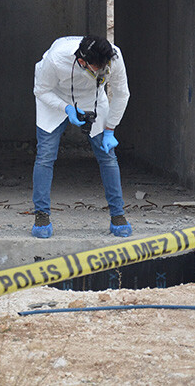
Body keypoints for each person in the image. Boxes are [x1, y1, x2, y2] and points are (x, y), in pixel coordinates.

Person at [31, 35, 132, 238]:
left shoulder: (114, 57)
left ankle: (118, 215)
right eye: (97, 69)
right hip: (55, 97)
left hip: (92, 99)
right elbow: (41, 90)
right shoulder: (56, 59)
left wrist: (110, 129)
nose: (102, 71)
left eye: (104, 67)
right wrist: (66, 108)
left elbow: (122, 94)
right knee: (45, 157)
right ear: (81, 61)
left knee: (108, 157)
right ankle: (41, 216)